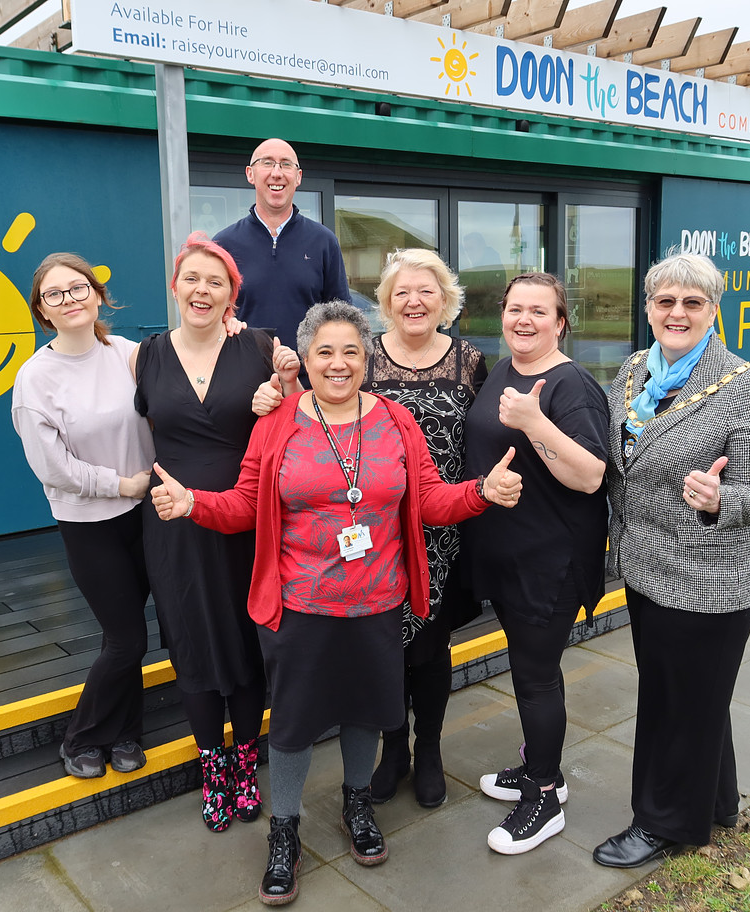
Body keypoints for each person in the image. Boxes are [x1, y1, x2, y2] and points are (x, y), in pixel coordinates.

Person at [149, 300, 523, 907]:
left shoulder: (397, 422)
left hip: (377, 602)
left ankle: (356, 805)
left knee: (364, 712)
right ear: (308, 359)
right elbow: (246, 504)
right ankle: (285, 830)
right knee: (293, 725)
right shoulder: (276, 427)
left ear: (365, 357)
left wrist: (482, 492)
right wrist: (194, 503)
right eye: (325, 351)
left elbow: (429, 500)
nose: (339, 363)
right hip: (299, 605)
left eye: (351, 350)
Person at [593, 252, 750, 868]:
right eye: (665, 301)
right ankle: (716, 800)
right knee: (691, 696)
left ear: (712, 311)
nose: (677, 313)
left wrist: (719, 499)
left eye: (692, 303)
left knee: (677, 703)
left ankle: (662, 823)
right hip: (649, 569)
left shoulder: (745, 386)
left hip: (712, 578)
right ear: (649, 308)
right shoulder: (631, 374)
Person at [133, 232, 301, 832]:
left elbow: (300, 418)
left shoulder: (259, 347)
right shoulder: (145, 354)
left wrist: (281, 390)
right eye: (192, 279)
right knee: (191, 638)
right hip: (175, 522)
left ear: (233, 293)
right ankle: (213, 765)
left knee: (247, 634)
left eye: (216, 281)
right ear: (175, 286)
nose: (202, 290)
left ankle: (248, 756)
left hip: (249, 516)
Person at [464, 272, 610, 856]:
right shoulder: (502, 370)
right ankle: (536, 769)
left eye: (538, 311)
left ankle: (545, 793)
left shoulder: (570, 386)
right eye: (514, 309)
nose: (523, 320)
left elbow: (591, 475)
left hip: (549, 561)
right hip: (504, 552)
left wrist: (534, 421)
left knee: (535, 676)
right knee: (527, 670)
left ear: (561, 321)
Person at [11, 253, 154, 780]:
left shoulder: (128, 354)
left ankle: (127, 734)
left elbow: (186, 381)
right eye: (55, 294)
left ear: (97, 295)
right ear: (42, 311)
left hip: (146, 515)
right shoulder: (36, 378)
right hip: (90, 522)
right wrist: (121, 484)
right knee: (127, 640)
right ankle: (82, 736)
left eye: (77, 288)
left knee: (122, 633)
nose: (69, 300)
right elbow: (52, 468)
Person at [363, 249, 487, 809]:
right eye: (402, 292)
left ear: (446, 300)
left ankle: (430, 749)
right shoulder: (360, 358)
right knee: (383, 647)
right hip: (373, 530)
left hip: (444, 530)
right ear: (387, 302)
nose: (414, 301)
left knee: (432, 648)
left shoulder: (470, 362)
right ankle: (394, 749)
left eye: (426, 291)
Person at [213, 137, 351, 347]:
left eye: (286, 164)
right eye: (267, 163)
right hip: (243, 376)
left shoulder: (324, 241)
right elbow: (212, 316)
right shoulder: (224, 244)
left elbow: (342, 318)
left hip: (308, 377)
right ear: (250, 174)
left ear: (298, 177)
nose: (276, 173)